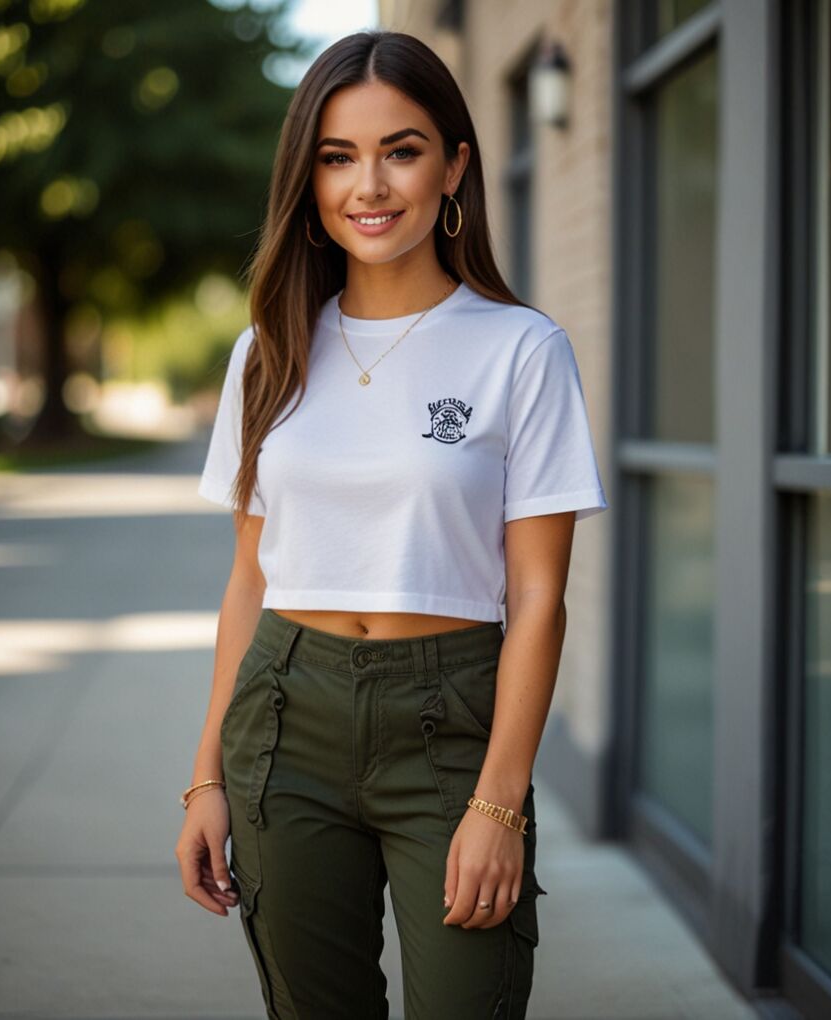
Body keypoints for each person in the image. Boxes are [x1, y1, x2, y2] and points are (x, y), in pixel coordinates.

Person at [174, 28, 608, 1020]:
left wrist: (500, 802)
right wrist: (203, 779)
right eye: (337, 157)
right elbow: (250, 579)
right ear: (309, 180)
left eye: (401, 150)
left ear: (455, 166)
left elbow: (539, 596)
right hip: (288, 711)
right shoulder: (268, 349)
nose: (369, 184)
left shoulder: (521, 350)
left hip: (451, 723)